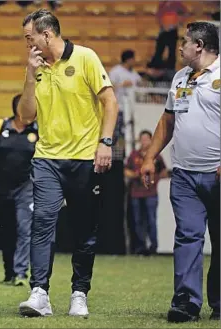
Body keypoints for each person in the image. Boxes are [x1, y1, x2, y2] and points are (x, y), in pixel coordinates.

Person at [17, 9, 118, 317]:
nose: (27, 44)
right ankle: (40, 293)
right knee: (43, 221)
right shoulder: (35, 67)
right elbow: (25, 116)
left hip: (85, 159)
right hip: (47, 158)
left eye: (29, 38)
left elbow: (110, 102)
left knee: (84, 228)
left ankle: (79, 293)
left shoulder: (86, 57)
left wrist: (106, 142)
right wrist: (29, 74)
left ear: (46, 35)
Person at [141, 21, 220, 323]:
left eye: (184, 42)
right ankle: (186, 303)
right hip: (184, 176)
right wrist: (150, 157)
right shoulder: (179, 77)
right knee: (187, 236)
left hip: (217, 175)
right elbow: (167, 122)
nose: (180, 47)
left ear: (199, 46)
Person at [0, 94, 37, 286]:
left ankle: (20, 273)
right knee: (5, 230)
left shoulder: (37, 131)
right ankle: (9, 270)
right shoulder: (1, 126)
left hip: (26, 187)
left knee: (24, 229)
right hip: (1, 187)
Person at [125, 130, 168, 255]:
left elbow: (164, 172)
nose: (144, 142)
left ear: (151, 140)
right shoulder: (134, 155)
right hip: (136, 192)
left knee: (151, 220)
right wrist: (137, 174)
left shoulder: (157, 156)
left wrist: (155, 177)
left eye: (147, 139)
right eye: (142, 139)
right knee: (138, 221)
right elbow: (126, 171)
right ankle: (140, 248)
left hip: (151, 193)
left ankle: (153, 247)